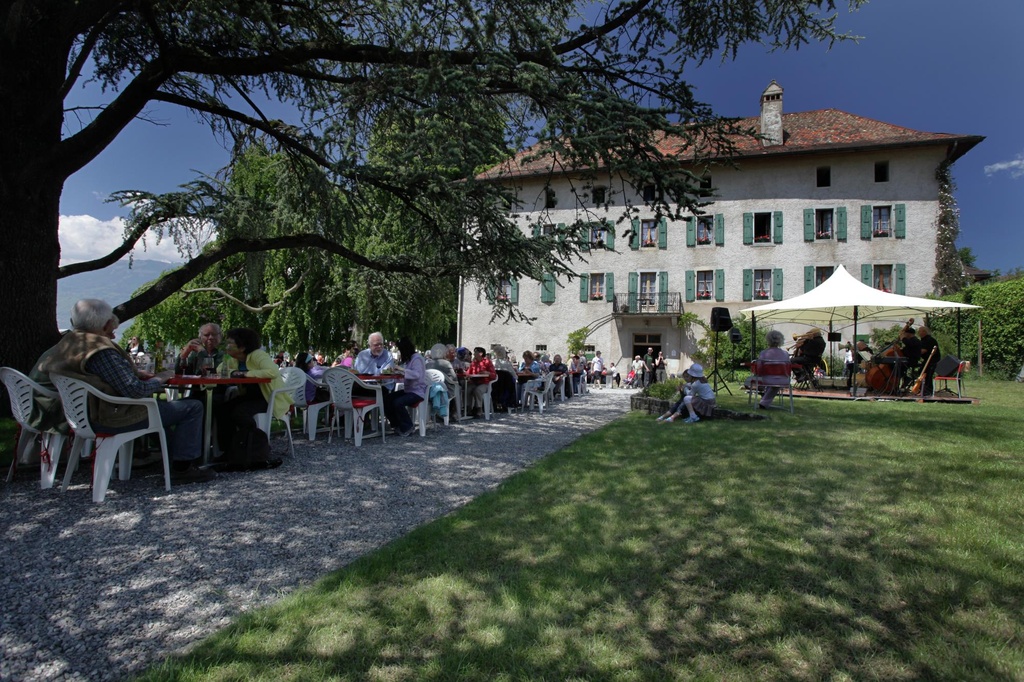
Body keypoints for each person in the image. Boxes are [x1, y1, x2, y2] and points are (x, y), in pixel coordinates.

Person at [38, 299, 211, 482]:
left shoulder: (69, 343)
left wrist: (135, 373)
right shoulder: (100, 351)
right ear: (105, 324)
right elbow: (135, 391)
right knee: (192, 406)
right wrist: (161, 378)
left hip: (80, 416)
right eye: (112, 329)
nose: (113, 335)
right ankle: (183, 469)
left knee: (162, 409)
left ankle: (168, 459)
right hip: (110, 416)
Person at [214, 327, 290, 469]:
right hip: (249, 396)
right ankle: (229, 451)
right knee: (222, 409)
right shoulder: (232, 359)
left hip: (268, 398)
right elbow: (220, 370)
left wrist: (245, 374)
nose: (226, 346)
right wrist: (235, 372)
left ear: (242, 347)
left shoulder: (258, 355)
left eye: (230, 343)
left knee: (240, 413)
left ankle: (252, 452)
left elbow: (272, 372)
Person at [383, 337, 426, 436]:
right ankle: (397, 425)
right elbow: (406, 377)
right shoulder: (409, 360)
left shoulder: (417, 358)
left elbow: (416, 375)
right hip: (409, 390)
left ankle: (408, 427)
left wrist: (402, 370)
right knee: (387, 399)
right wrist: (396, 373)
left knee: (398, 402)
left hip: (417, 391)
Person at [744, 330, 792, 409]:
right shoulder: (785, 354)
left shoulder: (764, 353)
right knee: (775, 382)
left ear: (768, 340)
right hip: (784, 380)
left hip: (767, 379)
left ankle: (763, 400)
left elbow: (759, 369)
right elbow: (787, 368)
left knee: (751, 379)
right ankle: (764, 401)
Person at [466, 346, 496, 418]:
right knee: (467, 389)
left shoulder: (487, 362)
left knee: (477, 390)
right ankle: (468, 408)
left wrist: (487, 372)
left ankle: (479, 409)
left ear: (481, 353)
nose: (474, 354)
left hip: (485, 383)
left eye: (475, 352)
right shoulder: (473, 363)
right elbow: (468, 373)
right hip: (474, 382)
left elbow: (494, 375)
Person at [915, 325, 940, 395]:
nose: (918, 333)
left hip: (932, 361)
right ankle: (922, 389)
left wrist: (914, 352)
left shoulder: (928, 340)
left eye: (920, 331)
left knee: (927, 375)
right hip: (927, 360)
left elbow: (924, 350)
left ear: (924, 332)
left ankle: (927, 391)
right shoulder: (923, 340)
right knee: (921, 372)